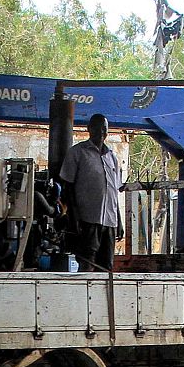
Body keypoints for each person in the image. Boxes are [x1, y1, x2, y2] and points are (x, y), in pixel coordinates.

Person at [56, 113, 123, 272]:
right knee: (87, 263)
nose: (101, 133)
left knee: (106, 268)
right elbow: (68, 188)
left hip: (110, 222)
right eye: (98, 128)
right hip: (88, 220)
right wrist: (74, 218)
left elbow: (113, 192)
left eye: (104, 130)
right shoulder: (77, 153)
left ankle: (103, 298)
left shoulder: (112, 157)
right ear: (89, 129)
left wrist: (119, 220)